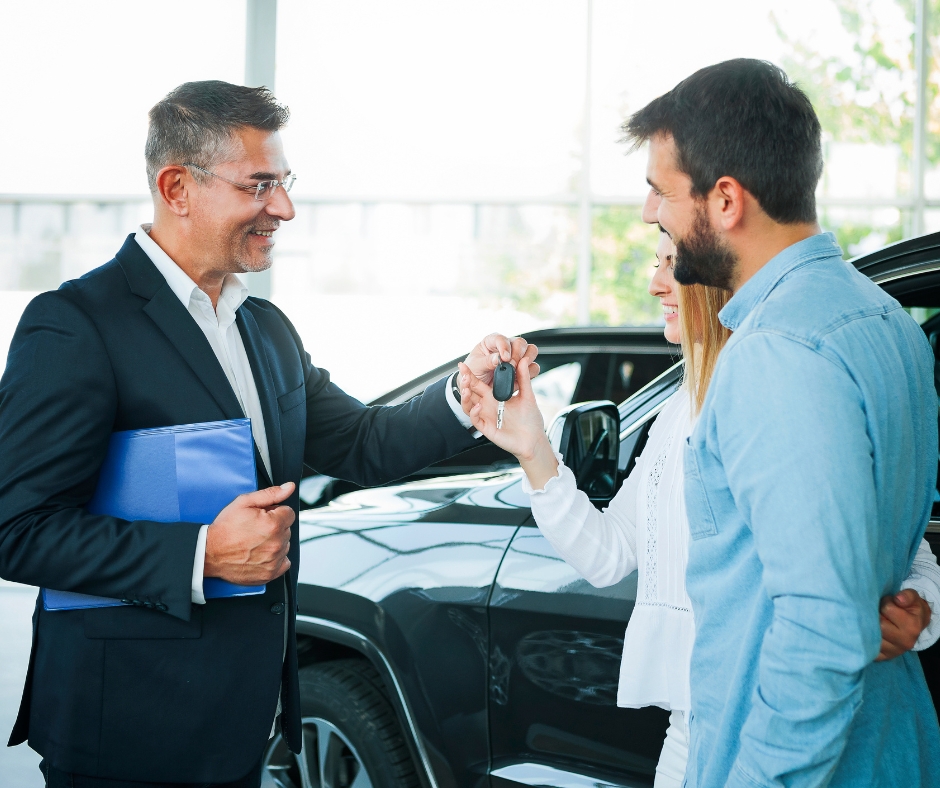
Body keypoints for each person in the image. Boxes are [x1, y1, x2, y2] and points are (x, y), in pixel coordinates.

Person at [0, 80, 538, 788]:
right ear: (176, 187)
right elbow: (17, 527)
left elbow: (364, 443)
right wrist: (202, 554)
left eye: (283, 184)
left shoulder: (266, 329)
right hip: (127, 725)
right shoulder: (76, 323)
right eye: (259, 186)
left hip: (244, 723)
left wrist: (461, 394)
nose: (282, 208)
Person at [457, 226, 940, 787]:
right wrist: (532, 447)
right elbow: (608, 553)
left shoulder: (782, 387)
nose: (656, 283)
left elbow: (898, 547)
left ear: (714, 279)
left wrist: (920, 608)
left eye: (670, 263)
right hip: (695, 728)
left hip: (786, 728)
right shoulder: (677, 412)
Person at [624, 58, 940, 787]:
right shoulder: (884, 318)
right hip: (890, 742)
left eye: (660, 191)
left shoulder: (775, 355)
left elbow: (821, 629)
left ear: (726, 199)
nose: (651, 214)